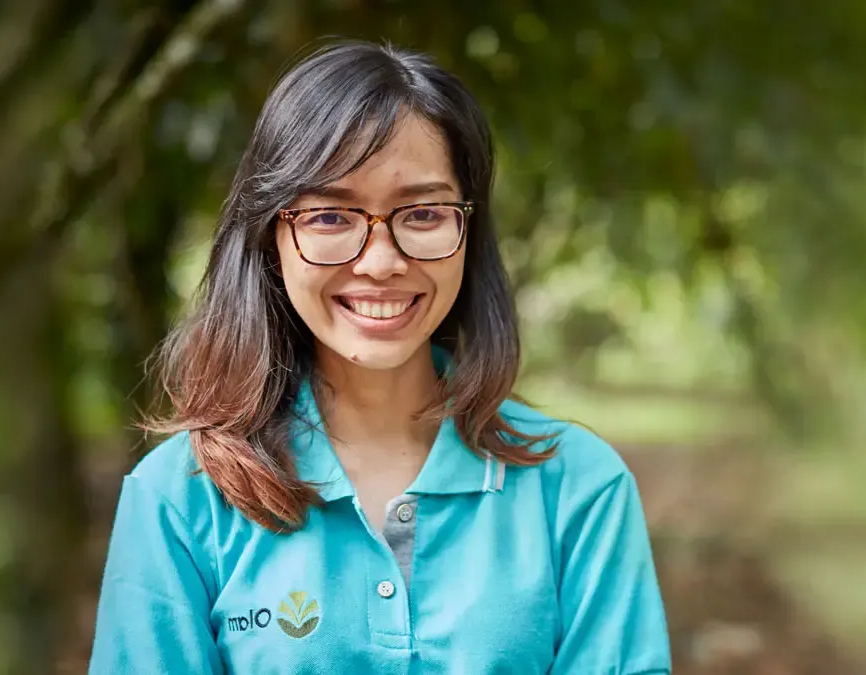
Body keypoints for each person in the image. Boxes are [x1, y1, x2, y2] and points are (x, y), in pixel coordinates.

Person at [85, 40, 672, 674]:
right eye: (332, 216)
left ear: (467, 233)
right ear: (271, 238)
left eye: (422, 212)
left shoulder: (579, 487)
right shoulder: (179, 499)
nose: (382, 261)